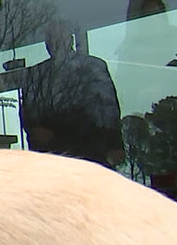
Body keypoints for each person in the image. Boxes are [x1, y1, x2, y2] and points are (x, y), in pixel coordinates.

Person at [17, 23, 125, 167]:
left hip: (92, 149)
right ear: (46, 44)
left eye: (60, 37)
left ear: (70, 40)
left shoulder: (93, 66)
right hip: (52, 155)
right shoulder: (36, 74)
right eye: (51, 38)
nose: (55, 42)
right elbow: (30, 116)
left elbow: (108, 108)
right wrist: (36, 132)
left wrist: (115, 144)